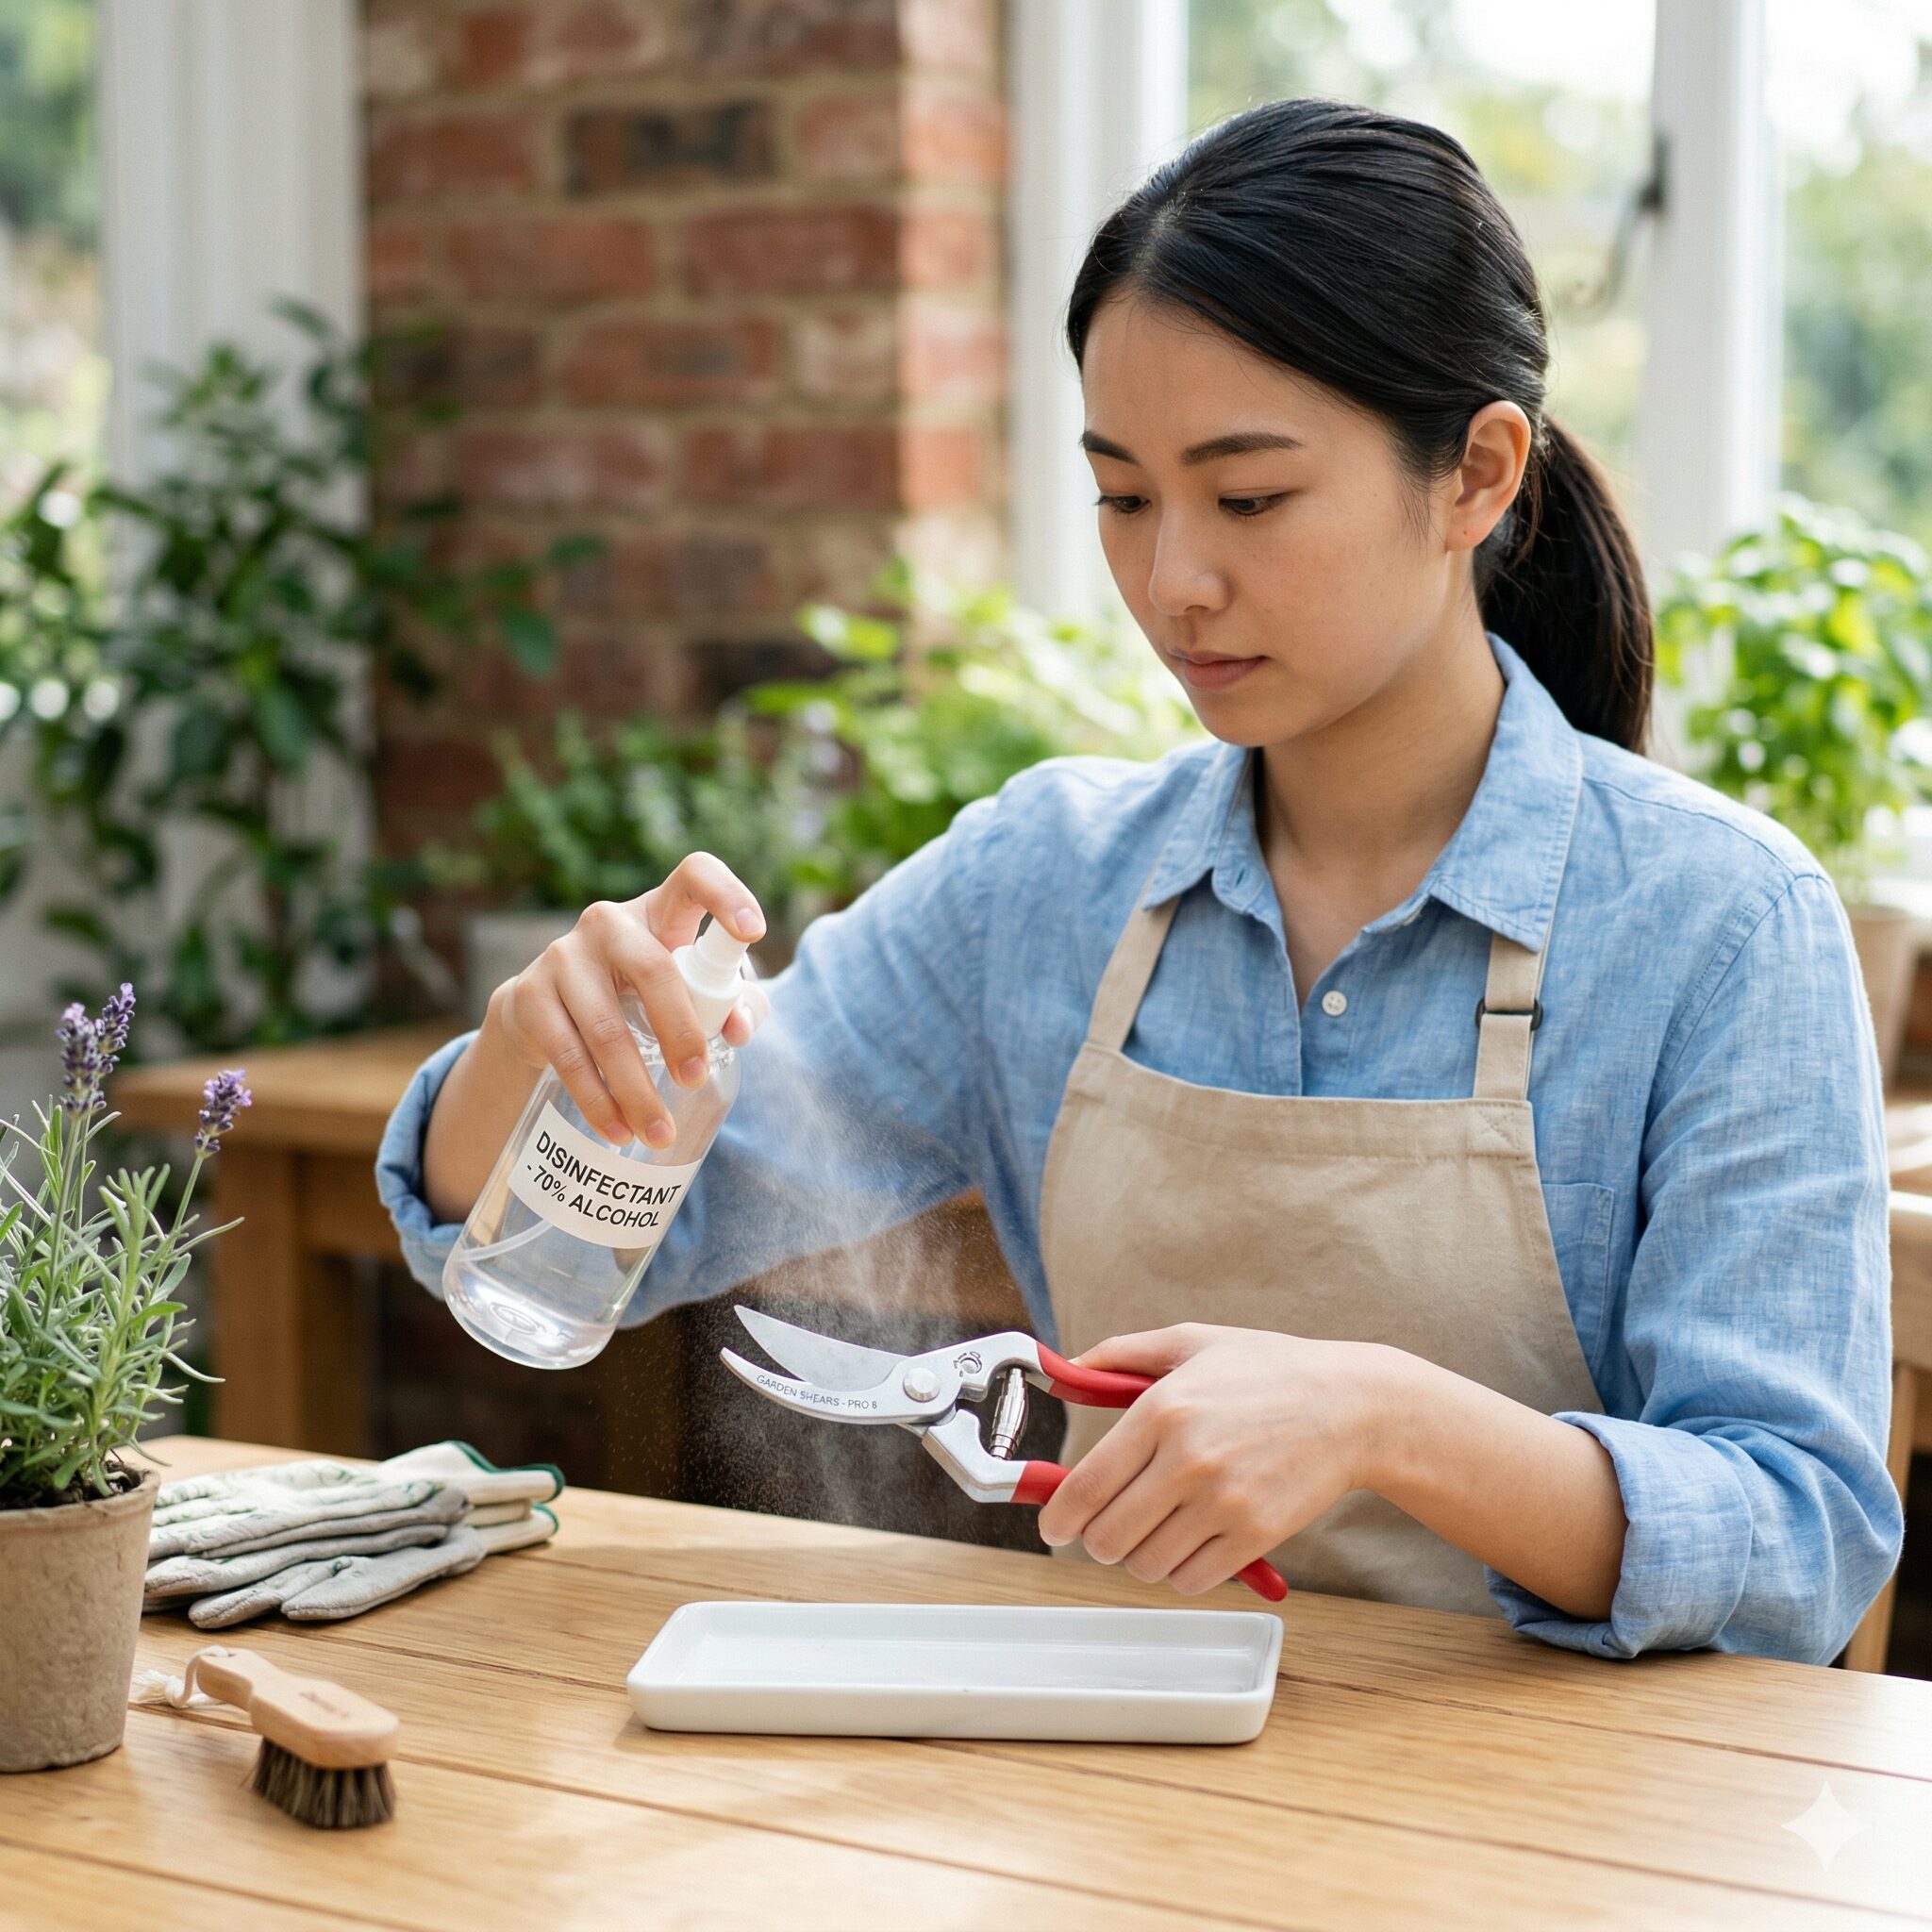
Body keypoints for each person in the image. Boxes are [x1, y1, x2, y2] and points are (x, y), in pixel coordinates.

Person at [377, 98, 1901, 1662]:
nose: (1175, 580)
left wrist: (1385, 1419)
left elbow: (1800, 1543)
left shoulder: (1724, 929)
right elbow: (627, 1234)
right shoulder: (1042, 887)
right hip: (1131, 1795)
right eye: (1123, 496)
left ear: (1477, 476)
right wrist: (540, 1064)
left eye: (1249, 498)